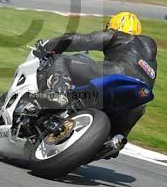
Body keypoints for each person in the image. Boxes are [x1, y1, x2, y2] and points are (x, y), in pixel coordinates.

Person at [33, 11, 157, 140]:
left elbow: (79, 40)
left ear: (113, 26)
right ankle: (114, 140)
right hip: (140, 97)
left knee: (61, 60)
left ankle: (59, 94)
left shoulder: (120, 36)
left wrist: (47, 45)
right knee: (133, 114)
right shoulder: (149, 51)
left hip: (118, 72)